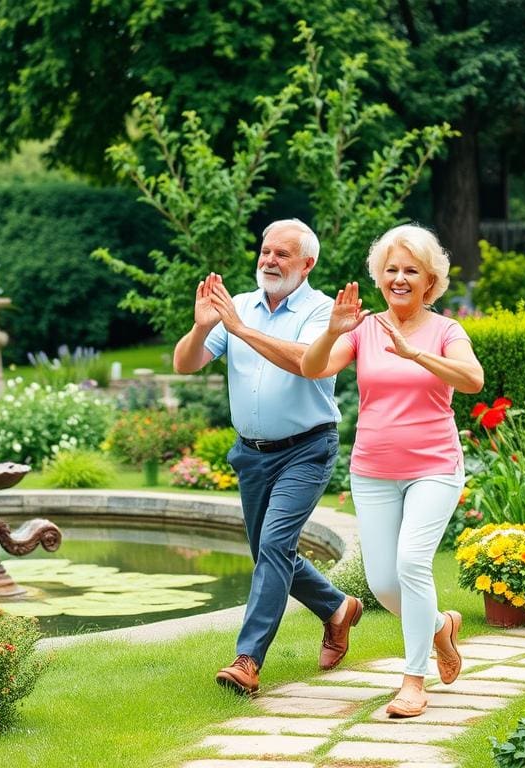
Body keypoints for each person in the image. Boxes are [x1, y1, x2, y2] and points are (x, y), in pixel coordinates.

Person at [299, 224, 484, 718]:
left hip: (434, 467)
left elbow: (473, 379)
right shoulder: (363, 329)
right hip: (373, 469)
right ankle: (441, 627)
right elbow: (312, 368)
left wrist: (415, 353)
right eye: (391, 270)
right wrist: (332, 331)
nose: (399, 278)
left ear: (430, 280)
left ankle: (412, 679)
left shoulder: (446, 330)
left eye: (411, 270)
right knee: (382, 584)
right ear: (379, 278)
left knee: (411, 565)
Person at [173, 218, 363, 696]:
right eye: (265, 252)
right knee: (267, 553)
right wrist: (201, 331)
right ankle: (338, 608)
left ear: (307, 263)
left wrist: (239, 328)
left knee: (274, 547)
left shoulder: (324, 311)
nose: (269, 261)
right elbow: (184, 363)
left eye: (282, 254)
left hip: (306, 450)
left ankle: (247, 660)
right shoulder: (238, 305)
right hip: (252, 454)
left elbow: (305, 362)